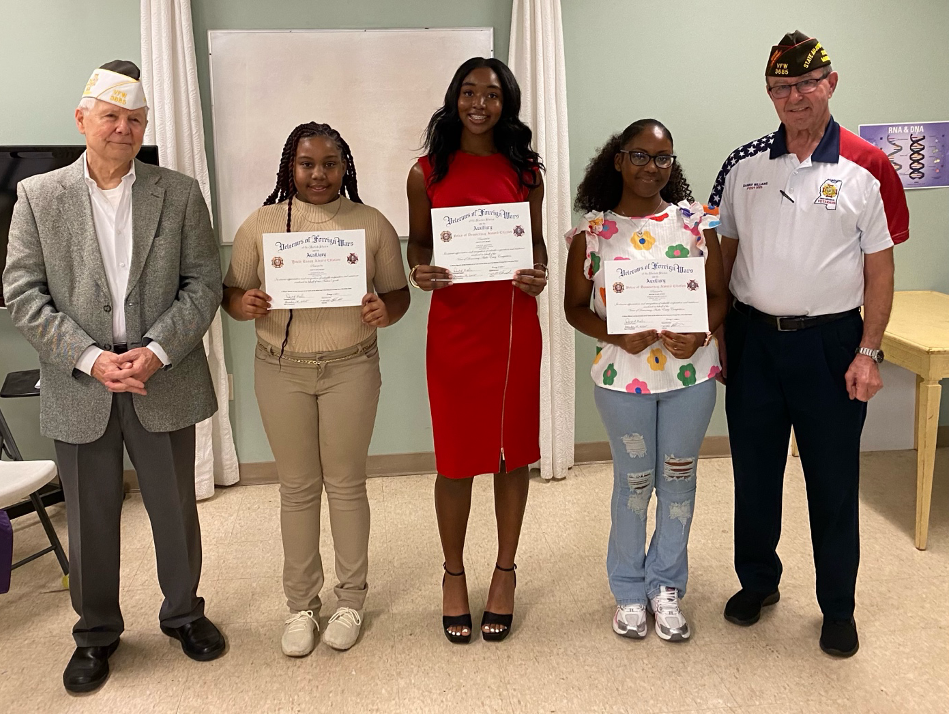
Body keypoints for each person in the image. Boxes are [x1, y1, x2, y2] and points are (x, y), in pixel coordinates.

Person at [3, 61, 226, 694]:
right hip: (81, 382)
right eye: (110, 116)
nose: (122, 128)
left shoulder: (178, 193)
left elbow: (203, 283)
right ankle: (96, 633)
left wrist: (157, 350)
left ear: (145, 126)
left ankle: (184, 614)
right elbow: (23, 293)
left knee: (174, 509)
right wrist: (89, 357)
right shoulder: (38, 196)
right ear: (82, 119)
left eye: (134, 119)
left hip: (162, 375)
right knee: (90, 516)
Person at [709, 32, 908, 657]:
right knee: (755, 474)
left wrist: (869, 351)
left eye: (806, 83)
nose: (794, 97)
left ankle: (838, 607)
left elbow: (880, 269)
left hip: (831, 345)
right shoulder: (743, 165)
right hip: (753, 341)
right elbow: (724, 256)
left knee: (832, 480)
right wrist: (719, 333)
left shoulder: (869, 166)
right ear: (769, 94)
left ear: (831, 83)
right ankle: (758, 582)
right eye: (780, 87)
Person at [223, 122, 409, 657]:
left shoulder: (370, 223)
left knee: (347, 485)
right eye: (307, 164)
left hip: (352, 367)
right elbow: (231, 291)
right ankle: (301, 605)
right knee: (298, 488)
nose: (319, 174)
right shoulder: (261, 224)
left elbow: (398, 294)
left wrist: (384, 311)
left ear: (344, 166)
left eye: (330, 163)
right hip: (280, 370)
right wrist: (244, 304)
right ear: (291, 167)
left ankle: (351, 600)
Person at [564, 120, 726, 642]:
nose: (651, 167)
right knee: (634, 483)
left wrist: (700, 333)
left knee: (678, 480)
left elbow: (719, 297)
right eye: (639, 155)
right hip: (622, 381)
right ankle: (629, 589)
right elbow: (573, 308)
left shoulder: (696, 224)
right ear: (618, 160)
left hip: (690, 378)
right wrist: (615, 333)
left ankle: (666, 584)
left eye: (662, 158)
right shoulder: (592, 234)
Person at [406, 57, 547, 643]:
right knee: (456, 458)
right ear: (454, 98)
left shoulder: (526, 171)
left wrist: (538, 271)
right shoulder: (425, 172)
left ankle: (505, 571)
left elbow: (536, 245)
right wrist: (420, 270)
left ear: (506, 102)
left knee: (512, 455)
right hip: (454, 330)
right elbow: (419, 243)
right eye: (469, 92)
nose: (479, 104)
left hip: (512, 328)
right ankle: (454, 573)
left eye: (491, 94)